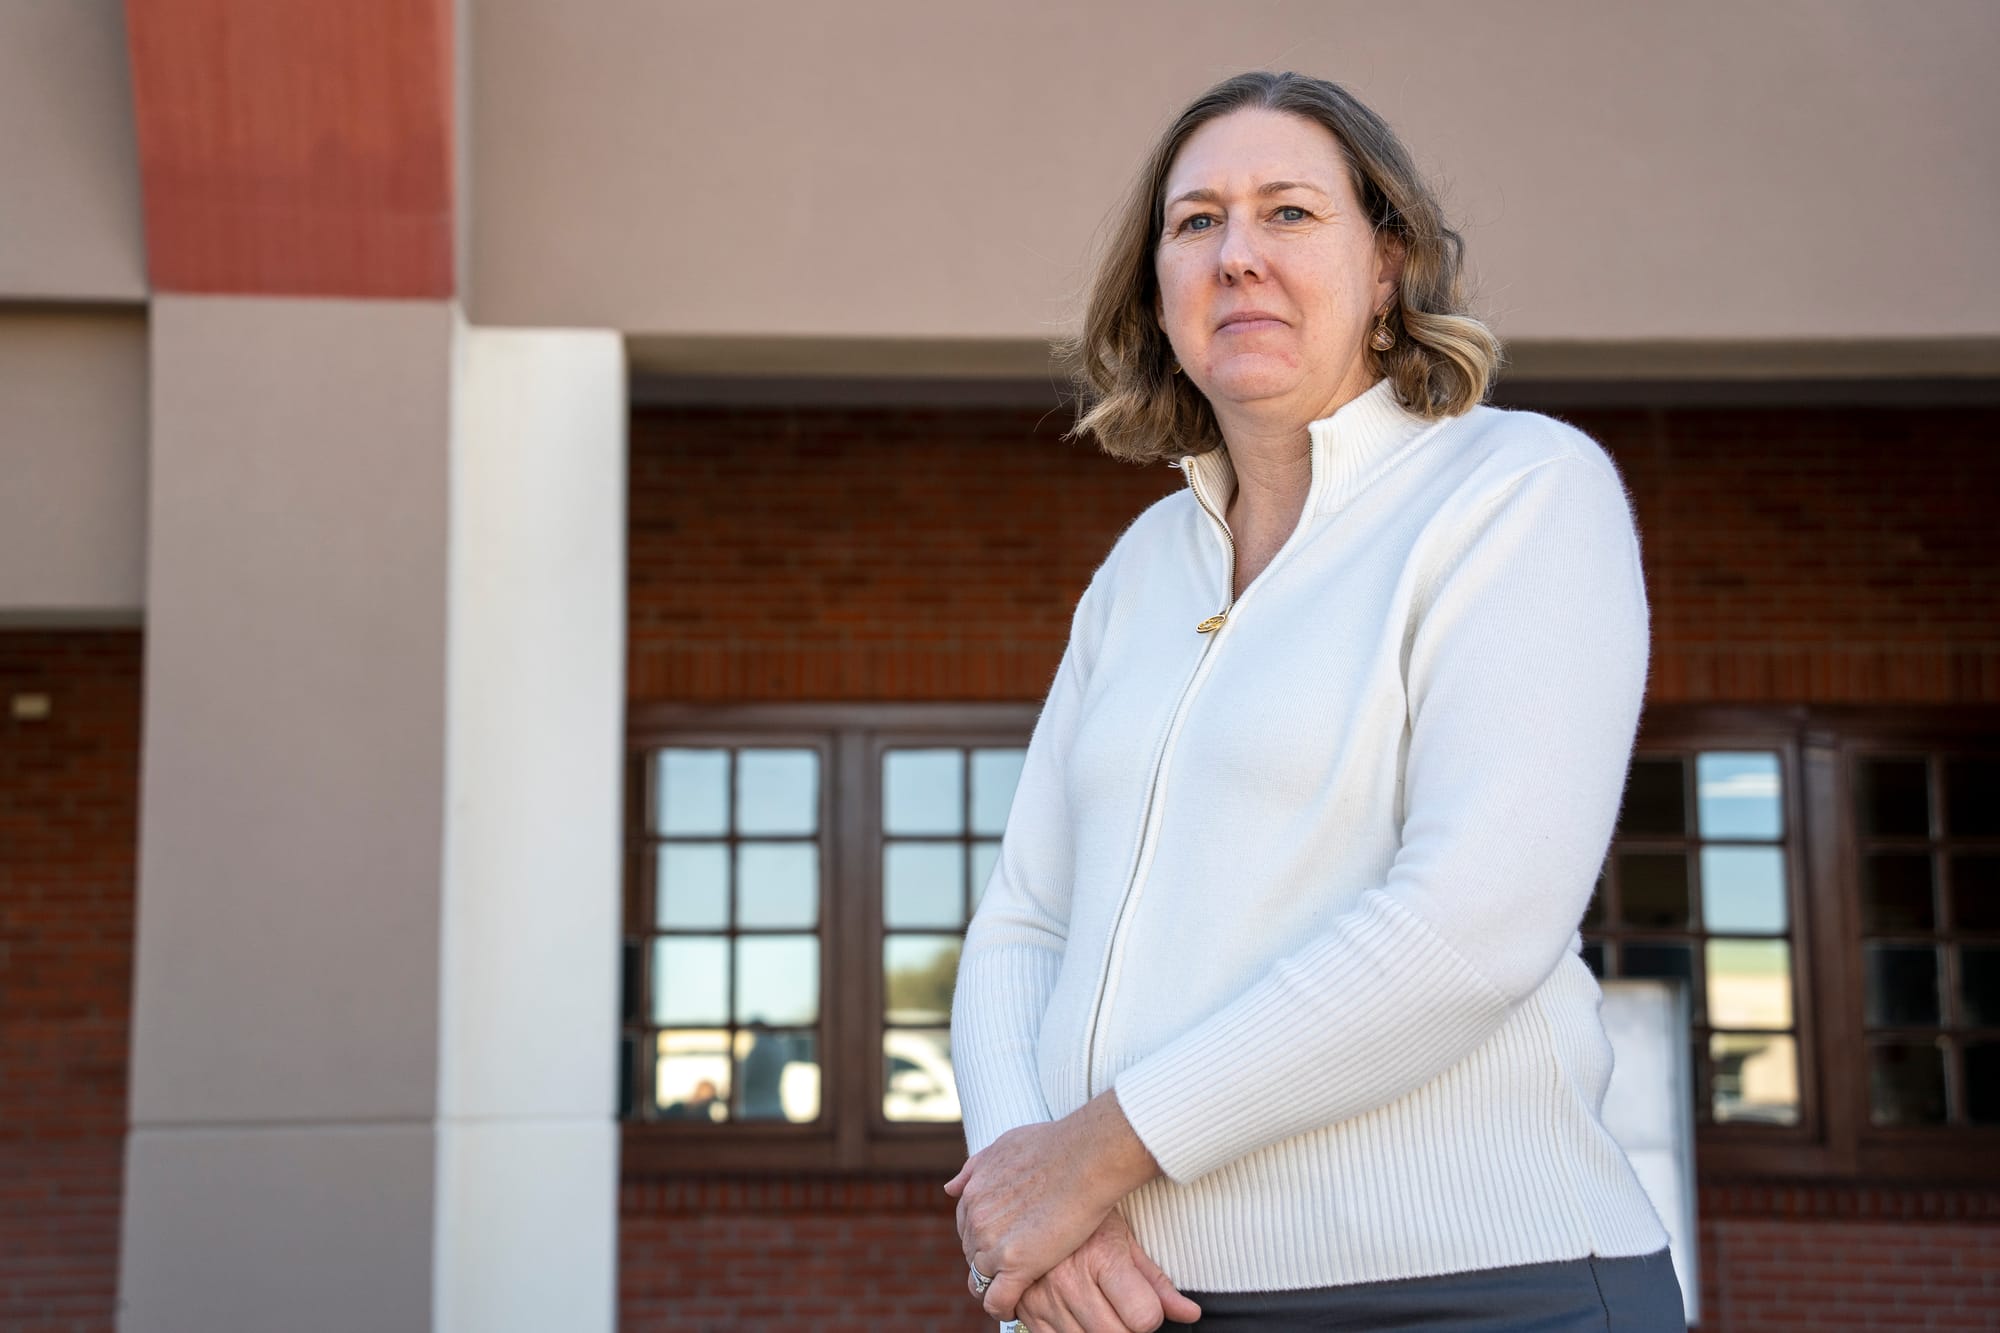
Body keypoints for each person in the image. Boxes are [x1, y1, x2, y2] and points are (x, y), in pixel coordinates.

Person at [943, 71, 1686, 1332]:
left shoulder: (1516, 493)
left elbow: (1470, 921)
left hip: (1471, 1295)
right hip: (1129, 1298)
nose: (1237, 255)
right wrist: (1034, 1195)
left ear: (1386, 264)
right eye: (1195, 222)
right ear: (1158, 289)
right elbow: (1024, 921)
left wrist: (1097, 1153)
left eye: (1288, 212)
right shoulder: (1139, 570)